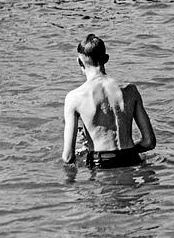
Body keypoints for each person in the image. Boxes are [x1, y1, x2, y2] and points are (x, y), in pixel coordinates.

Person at [62, 33, 156, 168]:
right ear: (106, 59)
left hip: (100, 165)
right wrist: (126, 153)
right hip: (131, 159)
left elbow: (67, 157)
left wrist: (84, 153)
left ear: (79, 62)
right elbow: (149, 142)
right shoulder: (131, 92)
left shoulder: (74, 98)